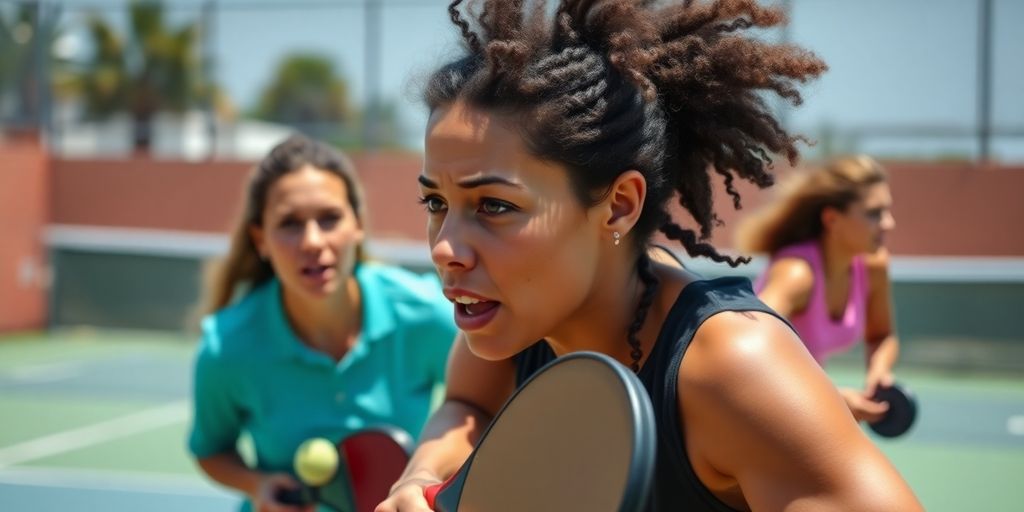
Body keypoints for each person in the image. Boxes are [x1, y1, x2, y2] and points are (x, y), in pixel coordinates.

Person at [375, 1, 922, 511]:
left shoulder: (732, 370)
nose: (445, 247)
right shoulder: (514, 320)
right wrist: (419, 479)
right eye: (435, 201)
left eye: (494, 205)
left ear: (618, 206)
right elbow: (467, 408)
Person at [187, 134, 457, 512]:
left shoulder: (427, 314)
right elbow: (210, 450)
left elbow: (478, 411)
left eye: (329, 218)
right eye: (290, 223)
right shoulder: (226, 347)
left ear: (358, 224)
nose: (312, 241)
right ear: (260, 239)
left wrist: (428, 476)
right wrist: (257, 484)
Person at [736, 155, 900, 423]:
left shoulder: (874, 267)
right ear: (832, 220)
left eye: (887, 210)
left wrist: (878, 373)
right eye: (874, 213)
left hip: (795, 400)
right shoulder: (797, 274)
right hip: (749, 405)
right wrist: (831, 398)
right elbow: (746, 351)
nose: (888, 223)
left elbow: (881, 335)